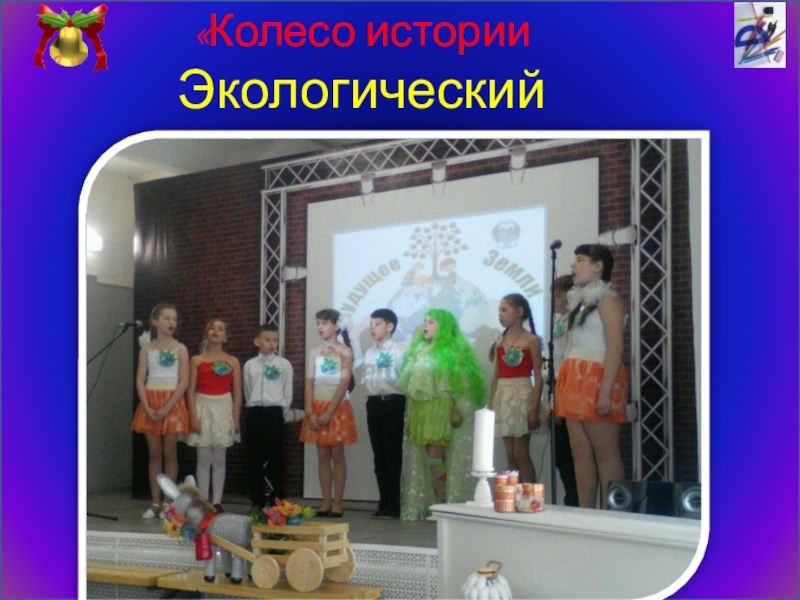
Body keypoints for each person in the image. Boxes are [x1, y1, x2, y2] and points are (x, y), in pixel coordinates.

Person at [555, 245, 629, 509]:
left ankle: (612, 514)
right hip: (575, 376)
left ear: (598, 266)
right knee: (580, 453)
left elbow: (616, 347)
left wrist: (605, 390)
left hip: (598, 376)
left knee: (605, 453)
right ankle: (585, 513)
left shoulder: (608, 300)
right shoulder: (580, 302)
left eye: (580, 260)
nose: (573, 266)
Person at [397, 308, 486, 521]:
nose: (425, 325)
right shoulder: (419, 351)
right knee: (428, 460)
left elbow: (461, 384)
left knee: (435, 459)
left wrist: (458, 408)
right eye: (425, 321)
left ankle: (443, 504)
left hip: (441, 409)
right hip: (422, 411)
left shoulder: (452, 351)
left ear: (443, 327)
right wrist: (409, 418)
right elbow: (413, 390)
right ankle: (438, 504)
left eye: (431, 322)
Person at [131, 303, 190, 519]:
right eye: (166, 318)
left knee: (169, 453)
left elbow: (184, 381)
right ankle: (155, 502)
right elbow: (140, 379)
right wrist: (147, 406)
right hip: (151, 401)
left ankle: (168, 502)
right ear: (155, 322)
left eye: (174, 319)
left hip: (172, 403)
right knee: (154, 455)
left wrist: (167, 407)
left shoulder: (180, 348)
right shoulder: (147, 349)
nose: (171, 322)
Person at [299, 309, 358, 518]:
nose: (320, 327)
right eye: (318, 323)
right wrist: (310, 411)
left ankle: (337, 504)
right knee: (322, 455)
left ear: (336, 326)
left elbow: (344, 383)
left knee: (337, 454)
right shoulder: (314, 351)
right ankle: (325, 502)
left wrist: (328, 413)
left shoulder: (345, 351)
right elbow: (309, 382)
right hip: (317, 406)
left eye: (324, 323)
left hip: (336, 408)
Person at [185, 319, 242, 512]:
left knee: (219, 458)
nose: (216, 331)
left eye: (220, 329)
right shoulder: (197, 360)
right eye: (212, 328)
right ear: (206, 334)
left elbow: (237, 392)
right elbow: (190, 391)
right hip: (202, 406)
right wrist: (193, 416)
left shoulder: (232, 361)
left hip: (223, 407)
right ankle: (204, 500)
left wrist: (235, 417)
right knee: (203, 458)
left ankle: (217, 501)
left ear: (226, 337)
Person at [488, 293, 543, 484]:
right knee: (510, 454)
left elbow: (539, 376)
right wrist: (492, 404)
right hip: (503, 396)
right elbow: (496, 376)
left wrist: (534, 406)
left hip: (522, 395)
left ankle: (530, 496)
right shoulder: (500, 341)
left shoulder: (532, 340)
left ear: (519, 312)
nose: (500, 314)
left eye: (504, 310)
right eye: (499, 310)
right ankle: (513, 495)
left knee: (521, 453)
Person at [243, 324, 293, 512]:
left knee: (276, 457)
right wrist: (255, 405)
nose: (272, 344)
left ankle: (277, 498)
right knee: (254, 457)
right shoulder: (250, 365)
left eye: (275, 340)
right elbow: (248, 390)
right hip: (255, 412)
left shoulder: (284, 364)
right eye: (267, 340)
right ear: (257, 341)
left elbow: (287, 391)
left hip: (274, 413)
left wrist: (281, 410)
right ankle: (257, 499)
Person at [361, 308, 406, 519]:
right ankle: (384, 502)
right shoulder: (369, 353)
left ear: (390, 326)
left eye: (377, 323)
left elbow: (405, 379)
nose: (373, 327)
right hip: (374, 404)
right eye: (371, 323)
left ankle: (394, 505)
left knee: (392, 454)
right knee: (379, 456)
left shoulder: (398, 351)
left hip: (393, 403)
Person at [551, 275, 579, 506]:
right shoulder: (559, 320)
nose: (555, 299)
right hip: (556, 384)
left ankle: (576, 500)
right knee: (560, 454)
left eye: (559, 295)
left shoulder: (574, 319)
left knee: (571, 452)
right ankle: (570, 497)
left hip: (568, 384)